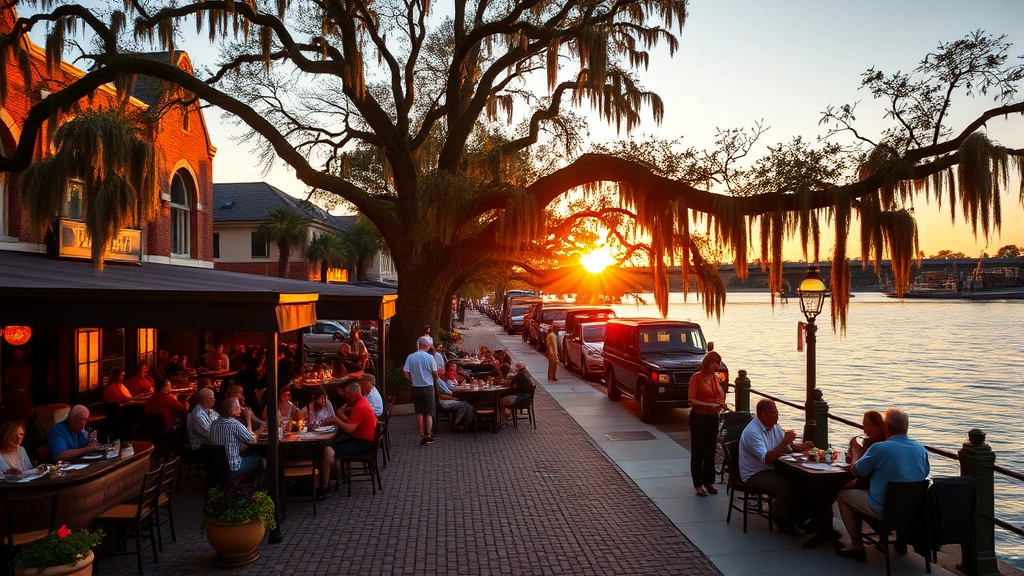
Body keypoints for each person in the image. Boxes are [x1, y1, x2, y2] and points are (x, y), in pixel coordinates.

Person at [835, 408, 930, 562]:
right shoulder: (920, 448)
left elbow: (856, 471)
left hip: (883, 507)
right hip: (912, 509)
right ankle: (892, 539)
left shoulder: (880, 448)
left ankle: (856, 546)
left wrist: (857, 453)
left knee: (843, 496)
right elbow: (923, 475)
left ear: (887, 427)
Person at [738, 399, 816, 535]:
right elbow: (767, 459)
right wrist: (784, 442)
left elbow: (786, 450)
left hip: (773, 468)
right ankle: (781, 519)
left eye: (777, 412)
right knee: (787, 487)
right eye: (773, 413)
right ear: (762, 414)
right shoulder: (752, 432)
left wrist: (800, 447)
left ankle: (806, 519)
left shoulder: (776, 427)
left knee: (803, 481)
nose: (777, 415)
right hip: (755, 472)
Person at [317, 383, 378, 498]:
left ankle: (325, 486)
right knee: (332, 443)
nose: (346, 396)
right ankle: (337, 475)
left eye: (347, 394)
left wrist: (336, 420)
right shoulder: (361, 403)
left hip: (363, 443)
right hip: (363, 439)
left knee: (326, 450)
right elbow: (352, 423)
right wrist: (340, 417)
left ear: (353, 393)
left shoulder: (359, 407)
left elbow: (350, 429)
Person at [688, 351, 727, 496]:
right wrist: (707, 405)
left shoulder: (716, 378)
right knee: (698, 451)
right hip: (698, 417)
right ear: (708, 363)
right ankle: (698, 484)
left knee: (711, 449)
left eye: (718, 363)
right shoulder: (696, 378)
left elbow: (720, 396)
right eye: (714, 363)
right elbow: (691, 399)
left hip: (712, 417)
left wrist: (720, 404)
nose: (716, 366)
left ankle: (709, 481)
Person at [209, 397, 263, 478]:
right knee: (261, 458)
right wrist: (248, 419)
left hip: (216, 468)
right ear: (233, 409)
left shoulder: (214, 423)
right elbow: (252, 440)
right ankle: (255, 488)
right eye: (239, 406)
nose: (241, 408)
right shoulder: (234, 424)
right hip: (234, 468)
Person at [403, 336, 440, 445]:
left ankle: (421, 434)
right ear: (427, 346)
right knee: (428, 412)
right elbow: (435, 373)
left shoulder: (411, 357)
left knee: (419, 412)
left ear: (418, 345)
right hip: (427, 386)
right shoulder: (430, 358)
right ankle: (428, 434)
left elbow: (405, 372)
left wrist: (412, 379)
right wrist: (435, 377)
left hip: (415, 387)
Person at [437, 363, 474, 431]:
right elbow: (447, 393)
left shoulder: (439, 380)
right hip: (444, 402)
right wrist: (455, 397)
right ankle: (456, 424)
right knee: (465, 404)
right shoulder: (438, 381)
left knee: (466, 403)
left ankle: (467, 423)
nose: (444, 370)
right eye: (443, 369)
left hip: (446, 399)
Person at [2, 347, 34, 421]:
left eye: (21, 354)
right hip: (13, 398)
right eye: (17, 353)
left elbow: (28, 386)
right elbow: (6, 384)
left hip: (24, 398)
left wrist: (30, 404)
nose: (18, 355)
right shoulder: (10, 368)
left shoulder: (27, 367)